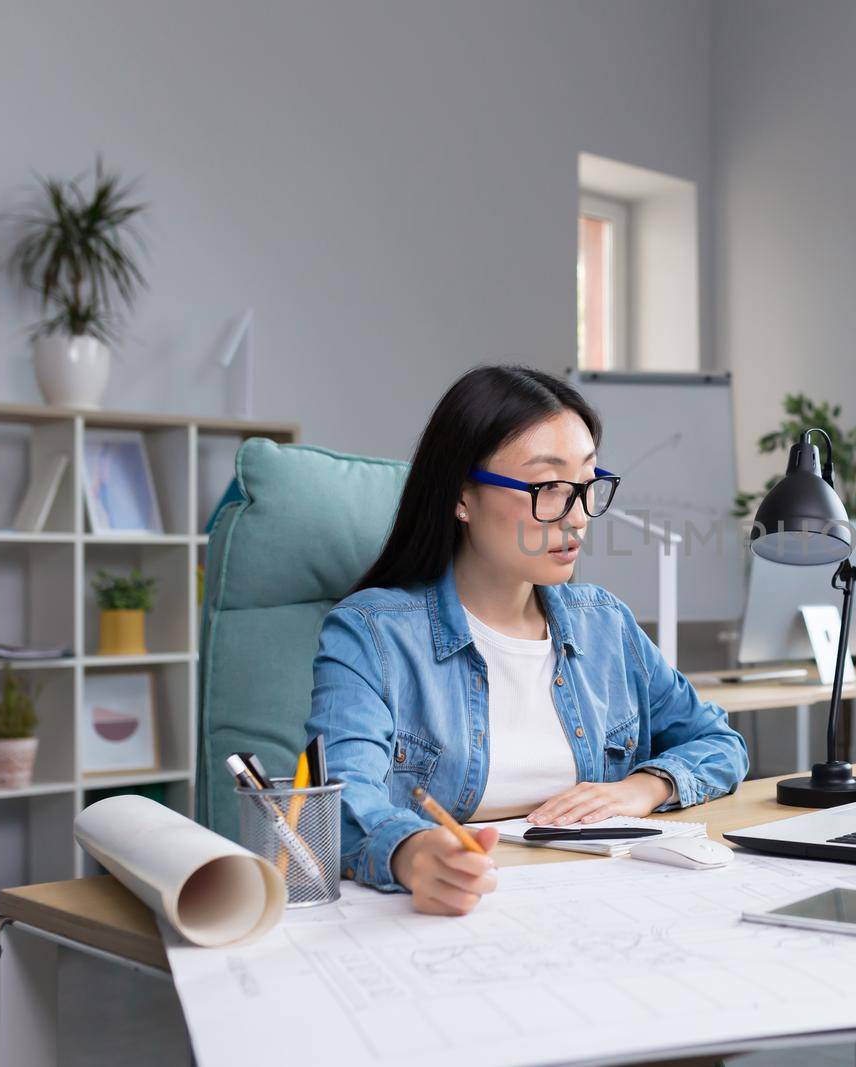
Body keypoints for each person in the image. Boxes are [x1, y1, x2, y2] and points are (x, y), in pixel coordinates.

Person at [308, 365, 748, 914]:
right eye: (549, 488)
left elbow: (719, 743)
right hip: (454, 910)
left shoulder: (604, 625)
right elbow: (339, 803)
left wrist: (642, 788)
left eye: (587, 486)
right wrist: (413, 853)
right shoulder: (371, 635)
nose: (579, 517)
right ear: (461, 497)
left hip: (603, 904)